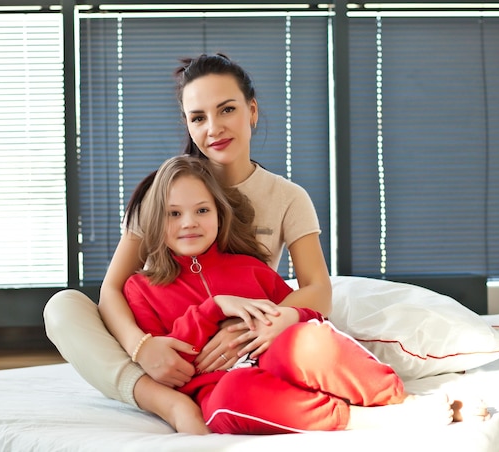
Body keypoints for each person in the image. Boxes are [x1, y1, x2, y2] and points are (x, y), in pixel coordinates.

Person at [43, 53, 333, 434]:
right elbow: (112, 288)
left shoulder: (288, 197)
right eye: (198, 117)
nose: (214, 128)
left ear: (252, 111)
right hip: (166, 344)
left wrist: (246, 329)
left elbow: (319, 290)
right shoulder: (163, 193)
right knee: (62, 307)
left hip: (240, 351)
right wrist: (141, 347)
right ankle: (164, 401)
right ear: (188, 124)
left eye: (227, 109)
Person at [124, 154, 458, 434]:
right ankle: (366, 420)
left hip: (276, 360)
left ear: (219, 213)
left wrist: (291, 316)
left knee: (310, 341)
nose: (189, 223)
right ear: (155, 219)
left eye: (202, 210)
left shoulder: (249, 267)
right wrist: (213, 308)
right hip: (220, 388)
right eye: (174, 213)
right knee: (231, 398)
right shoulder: (141, 289)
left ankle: (405, 404)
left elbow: (312, 317)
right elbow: (174, 367)